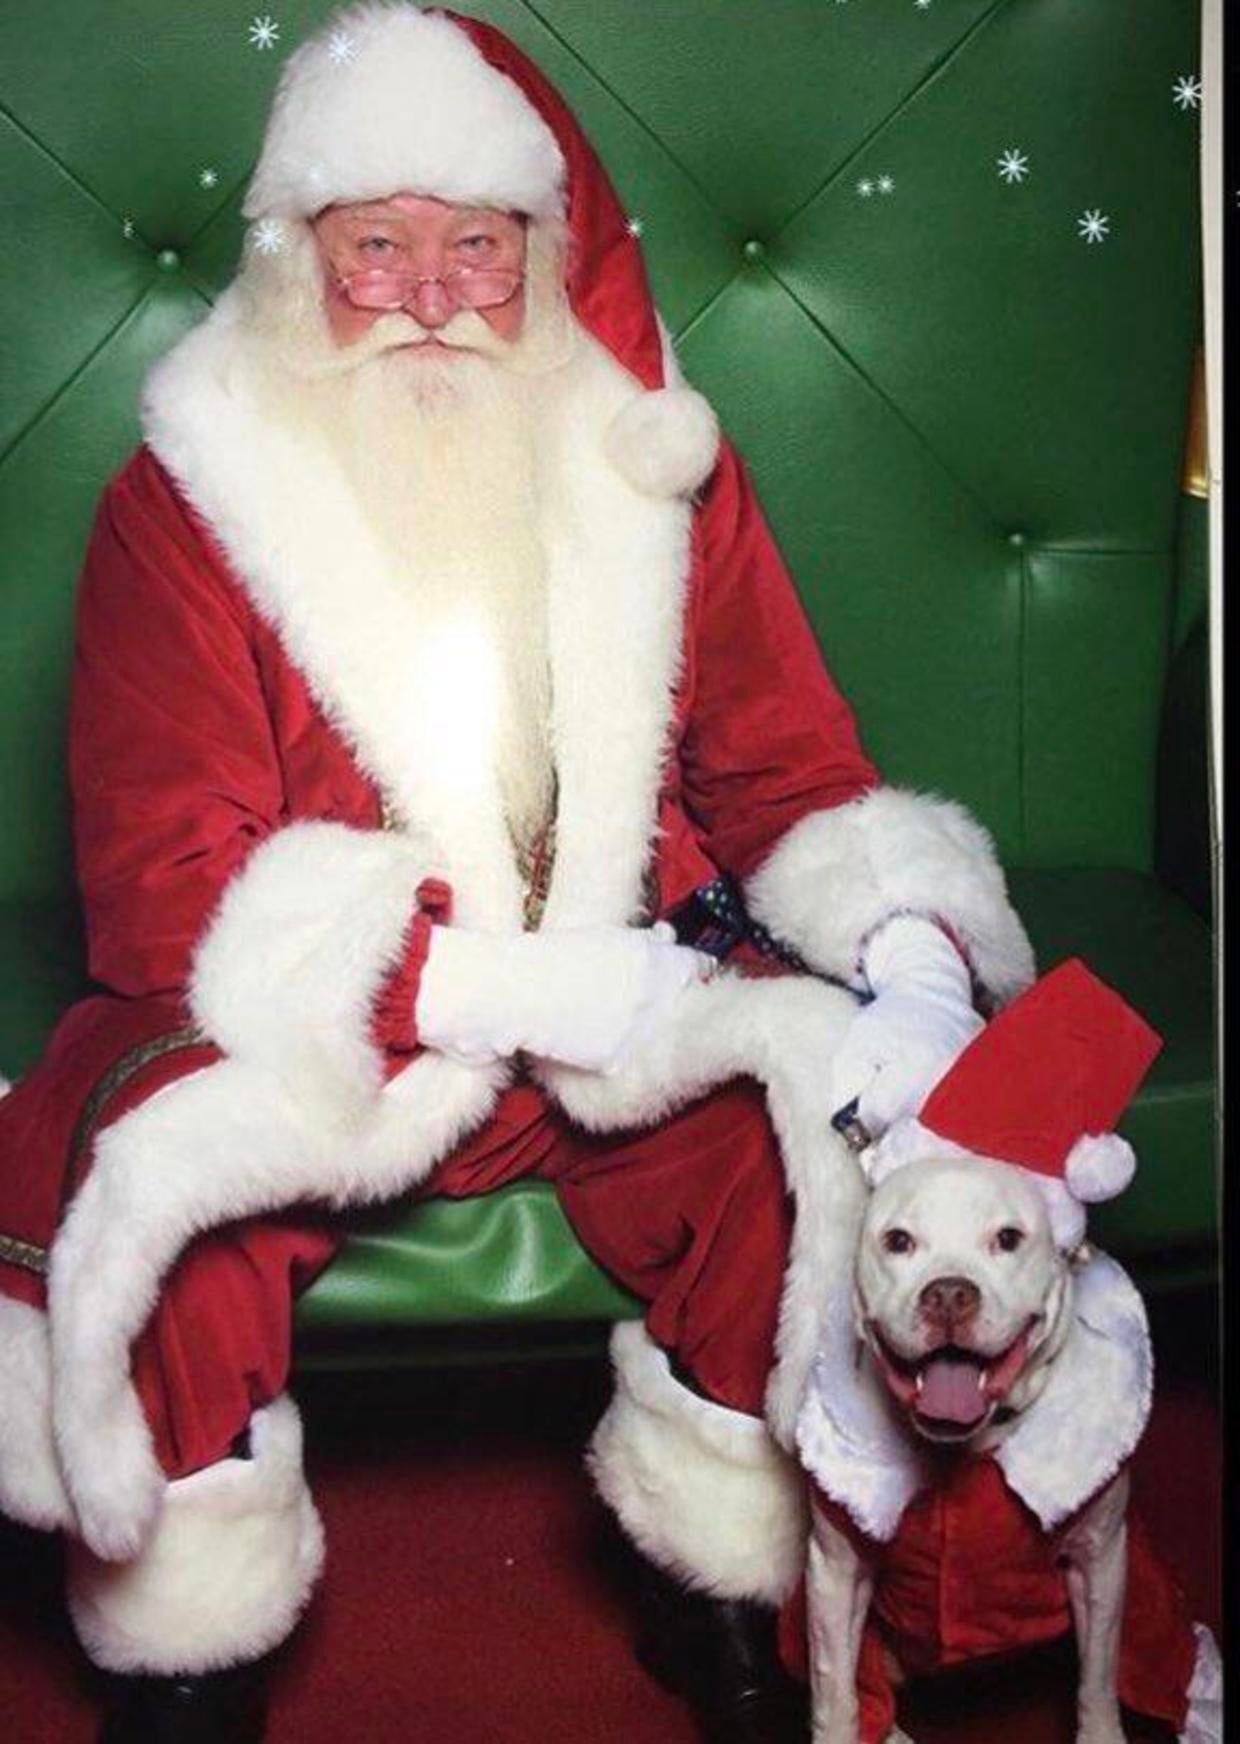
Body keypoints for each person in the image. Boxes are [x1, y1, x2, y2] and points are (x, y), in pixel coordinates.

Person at [0, 6, 1035, 1741]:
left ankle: (724, 1598)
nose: (428, 295)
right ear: (293, 260)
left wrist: (914, 958)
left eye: (477, 249)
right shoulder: (184, 498)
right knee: (164, 1202)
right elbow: (171, 885)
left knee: (801, 1161)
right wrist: (472, 984)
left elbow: (787, 762)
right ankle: (190, 1655)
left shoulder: (651, 467)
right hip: (327, 1031)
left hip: (615, 1002)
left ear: (546, 259)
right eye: (376, 248)